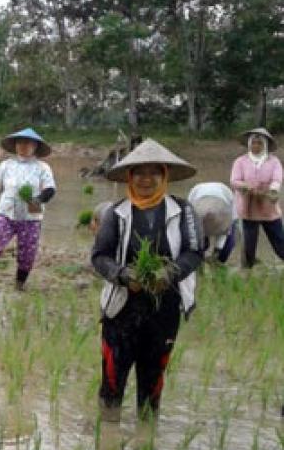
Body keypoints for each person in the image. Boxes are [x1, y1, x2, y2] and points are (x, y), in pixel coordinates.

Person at [91, 139, 202, 421]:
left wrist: (171, 273)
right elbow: (100, 256)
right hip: (122, 308)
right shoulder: (116, 213)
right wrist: (124, 275)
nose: (146, 179)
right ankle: (108, 443)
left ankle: (145, 445)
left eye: (154, 172)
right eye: (139, 172)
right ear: (130, 177)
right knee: (113, 380)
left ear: (164, 176)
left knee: (153, 383)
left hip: (164, 308)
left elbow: (195, 251)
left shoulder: (183, 211)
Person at [0, 127, 56, 290]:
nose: (23, 146)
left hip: (31, 217)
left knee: (27, 255)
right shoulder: (6, 165)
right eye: (20, 142)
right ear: (14, 145)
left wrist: (38, 199)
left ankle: (19, 286)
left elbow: (50, 190)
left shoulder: (43, 168)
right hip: (6, 213)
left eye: (27, 143)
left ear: (35, 146)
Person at [229, 127, 283, 268]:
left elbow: (277, 179)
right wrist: (245, 186)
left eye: (259, 143)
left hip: (268, 209)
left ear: (265, 145)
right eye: (253, 143)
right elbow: (234, 180)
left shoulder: (274, 161)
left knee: (279, 240)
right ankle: (247, 269)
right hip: (248, 209)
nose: (256, 146)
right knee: (248, 244)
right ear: (249, 144)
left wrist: (273, 190)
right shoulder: (240, 161)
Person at [187, 182, 237, 263]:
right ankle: (219, 260)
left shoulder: (196, 188)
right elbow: (226, 230)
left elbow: (189, 208)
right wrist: (218, 249)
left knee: (199, 234)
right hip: (221, 206)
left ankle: (200, 257)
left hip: (201, 207)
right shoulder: (225, 189)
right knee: (228, 234)